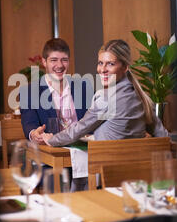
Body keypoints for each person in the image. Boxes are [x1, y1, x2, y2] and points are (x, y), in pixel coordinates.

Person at [41, 39, 169, 190]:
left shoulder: (108, 98)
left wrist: (52, 139)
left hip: (106, 180)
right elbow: (163, 136)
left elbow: (80, 128)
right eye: (100, 63)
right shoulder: (142, 97)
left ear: (125, 67)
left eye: (110, 64)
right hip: (138, 180)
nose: (102, 69)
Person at [19, 38, 91, 143]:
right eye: (54, 60)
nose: (60, 65)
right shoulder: (28, 92)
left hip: (83, 150)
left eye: (64, 60)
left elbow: (94, 123)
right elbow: (29, 124)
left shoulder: (84, 87)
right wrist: (34, 134)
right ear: (44, 62)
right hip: (50, 153)